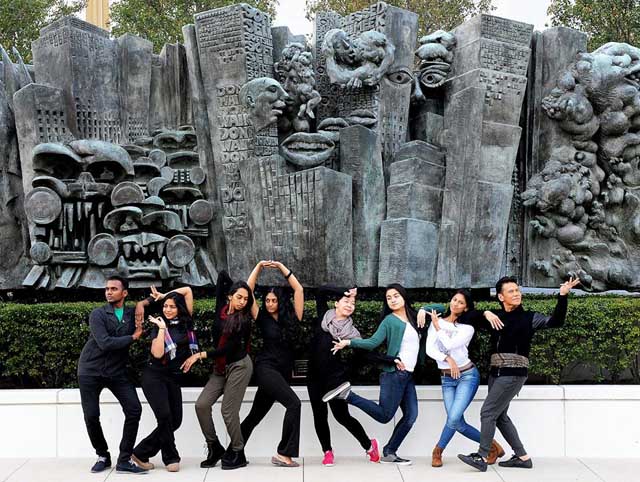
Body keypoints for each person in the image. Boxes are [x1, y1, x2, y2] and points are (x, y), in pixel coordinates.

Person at [458, 276, 580, 472]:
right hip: (495, 373)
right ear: (500, 296)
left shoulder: (529, 317)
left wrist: (563, 296)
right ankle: (522, 457)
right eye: (511, 291)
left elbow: (556, 322)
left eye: (517, 290)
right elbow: (465, 316)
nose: (516, 294)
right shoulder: (495, 316)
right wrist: (486, 312)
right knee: (500, 416)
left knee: (488, 412)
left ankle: (481, 456)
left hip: (514, 373)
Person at [326, 284, 421, 466]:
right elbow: (372, 343)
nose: (393, 300)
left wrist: (424, 310)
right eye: (389, 298)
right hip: (394, 375)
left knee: (411, 416)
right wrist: (348, 342)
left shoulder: (414, 317)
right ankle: (349, 396)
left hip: (408, 376)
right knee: (385, 416)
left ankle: (389, 451)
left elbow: (442, 309)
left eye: (396, 296)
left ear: (404, 296)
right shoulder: (389, 321)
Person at [182, 271, 256, 470]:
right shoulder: (221, 309)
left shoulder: (243, 320)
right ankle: (214, 447)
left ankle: (239, 452)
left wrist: (199, 355)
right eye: (239, 297)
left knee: (228, 411)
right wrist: (238, 284)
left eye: (246, 299)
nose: (242, 302)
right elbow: (222, 275)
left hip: (239, 366)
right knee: (202, 405)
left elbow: (226, 349)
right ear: (230, 296)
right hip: (221, 368)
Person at [420, 290, 504, 467]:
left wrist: (437, 328)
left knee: (453, 419)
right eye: (454, 300)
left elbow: (450, 344)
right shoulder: (439, 321)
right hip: (447, 379)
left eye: (460, 302)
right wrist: (447, 358)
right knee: (456, 420)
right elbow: (430, 349)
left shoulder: (467, 328)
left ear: (466, 307)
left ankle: (438, 451)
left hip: (466, 376)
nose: (455, 304)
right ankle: (492, 446)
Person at [77, 275, 147, 474]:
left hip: (116, 371)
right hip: (90, 370)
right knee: (91, 415)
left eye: (114, 289)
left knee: (134, 410)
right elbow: (105, 343)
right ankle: (103, 455)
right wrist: (133, 337)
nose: (108, 292)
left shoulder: (132, 312)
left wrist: (142, 303)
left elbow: (158, 301)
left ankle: (124, 459)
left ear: (124, 293)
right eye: (107, 288)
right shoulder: (98, 314)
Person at [306, 285, 380, 466]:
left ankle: (369, 446)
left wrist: (391, 360)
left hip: (334, 381)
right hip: (313, 377)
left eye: (353, 303)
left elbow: (364, 354)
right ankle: (327, 451)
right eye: (346, 301)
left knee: (341, 417)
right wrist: (345, 291)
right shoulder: (325, 317)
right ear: (336, 303)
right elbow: (320, 291)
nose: (350, 305)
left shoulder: (352, 334)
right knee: (319, 415)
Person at [240, 260, 304, 467]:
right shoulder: (261, 318)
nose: (269, 304)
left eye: (273, 300)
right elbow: (248, 291)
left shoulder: (294, 316)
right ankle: (283, 454)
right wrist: (258, 267)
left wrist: (281, 267)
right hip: (266, 369)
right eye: (267, 300)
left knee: (254, 416)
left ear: (280, 301)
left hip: (282, 373)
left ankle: (232, 452)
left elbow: (298, 288)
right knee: (294, 404)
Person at [131, 286, 199, 473]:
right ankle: (171, 456)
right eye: (165, 306)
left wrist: (164, 295)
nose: (168, 310)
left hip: (172, 377)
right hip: (153, 376)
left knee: (175, 420)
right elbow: (158, 352)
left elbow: (187, 290)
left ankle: (140, 452)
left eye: (172, 306)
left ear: (180, 308)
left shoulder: (186, 321)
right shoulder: (157, 325)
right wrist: (162, 329)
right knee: (165, 417)